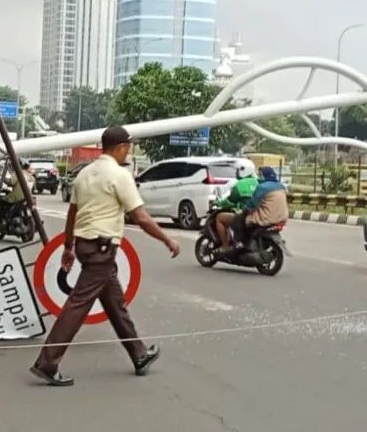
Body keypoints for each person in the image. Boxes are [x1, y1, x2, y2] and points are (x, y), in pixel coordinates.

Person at [30, 125, 180, 387]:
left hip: (88, 246)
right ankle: (47, 363)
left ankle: (139, 354)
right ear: (121, 147)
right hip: (101, 248)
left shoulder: (85, 174)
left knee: (114, 304)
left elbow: (72, 214)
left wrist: (68, 246)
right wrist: (167, 239)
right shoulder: (119, 176)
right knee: (77, 306)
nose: (129, 151)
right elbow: (140, 216)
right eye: (129, 147)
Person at [220, 166, 288, 253]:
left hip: (266, 218)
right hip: (281, 219)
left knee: (239, 219)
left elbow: (252, 205)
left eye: (260, 174)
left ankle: (239, 244)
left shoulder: (262, 187)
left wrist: (244, 211)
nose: (259, 176)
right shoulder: (281, 186)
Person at [214, 163, 259, 249]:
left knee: (219, 217)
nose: (237, 173)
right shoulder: (257, 182)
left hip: (244, 215)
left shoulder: (240, 184)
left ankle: (225, 246)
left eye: (238, 171)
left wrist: (219, 203)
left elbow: (231, 200)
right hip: (256, 214)